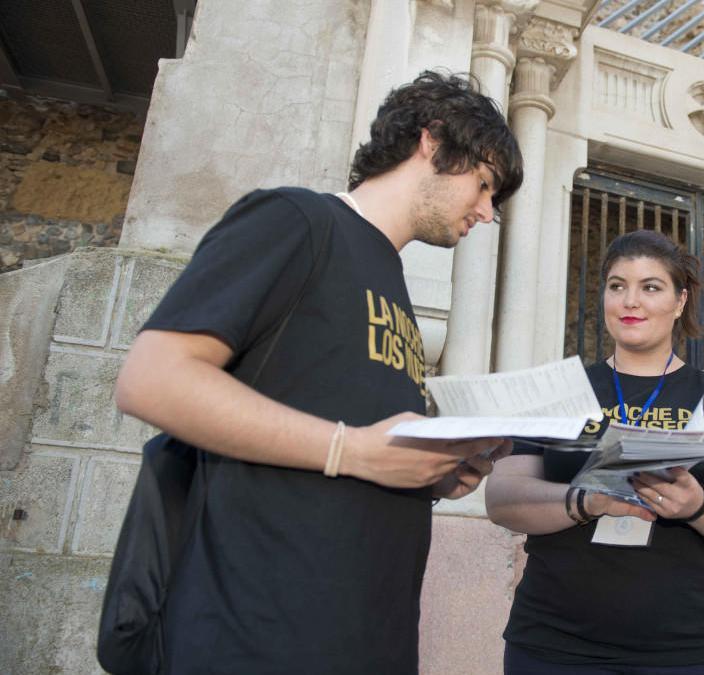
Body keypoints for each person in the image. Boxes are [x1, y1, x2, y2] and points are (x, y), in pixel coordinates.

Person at [113, 71, 523, 674]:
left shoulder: (395, 289)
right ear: (432, 143)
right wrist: (351, 450)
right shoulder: (296, 220)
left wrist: (430, 472)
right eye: (484, 185)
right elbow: (152, 379)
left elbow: (346, 435)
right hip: (258, 636)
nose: (487, 213)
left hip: (366, 637)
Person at [486, 229, 704, 673]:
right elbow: (503, 496)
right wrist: (589, 500)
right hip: (557, 646)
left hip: (698, 650)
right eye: (617, 286)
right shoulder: (560, 391)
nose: (631, 301)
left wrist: (695, 503)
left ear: (680, 302)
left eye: (651, 287)